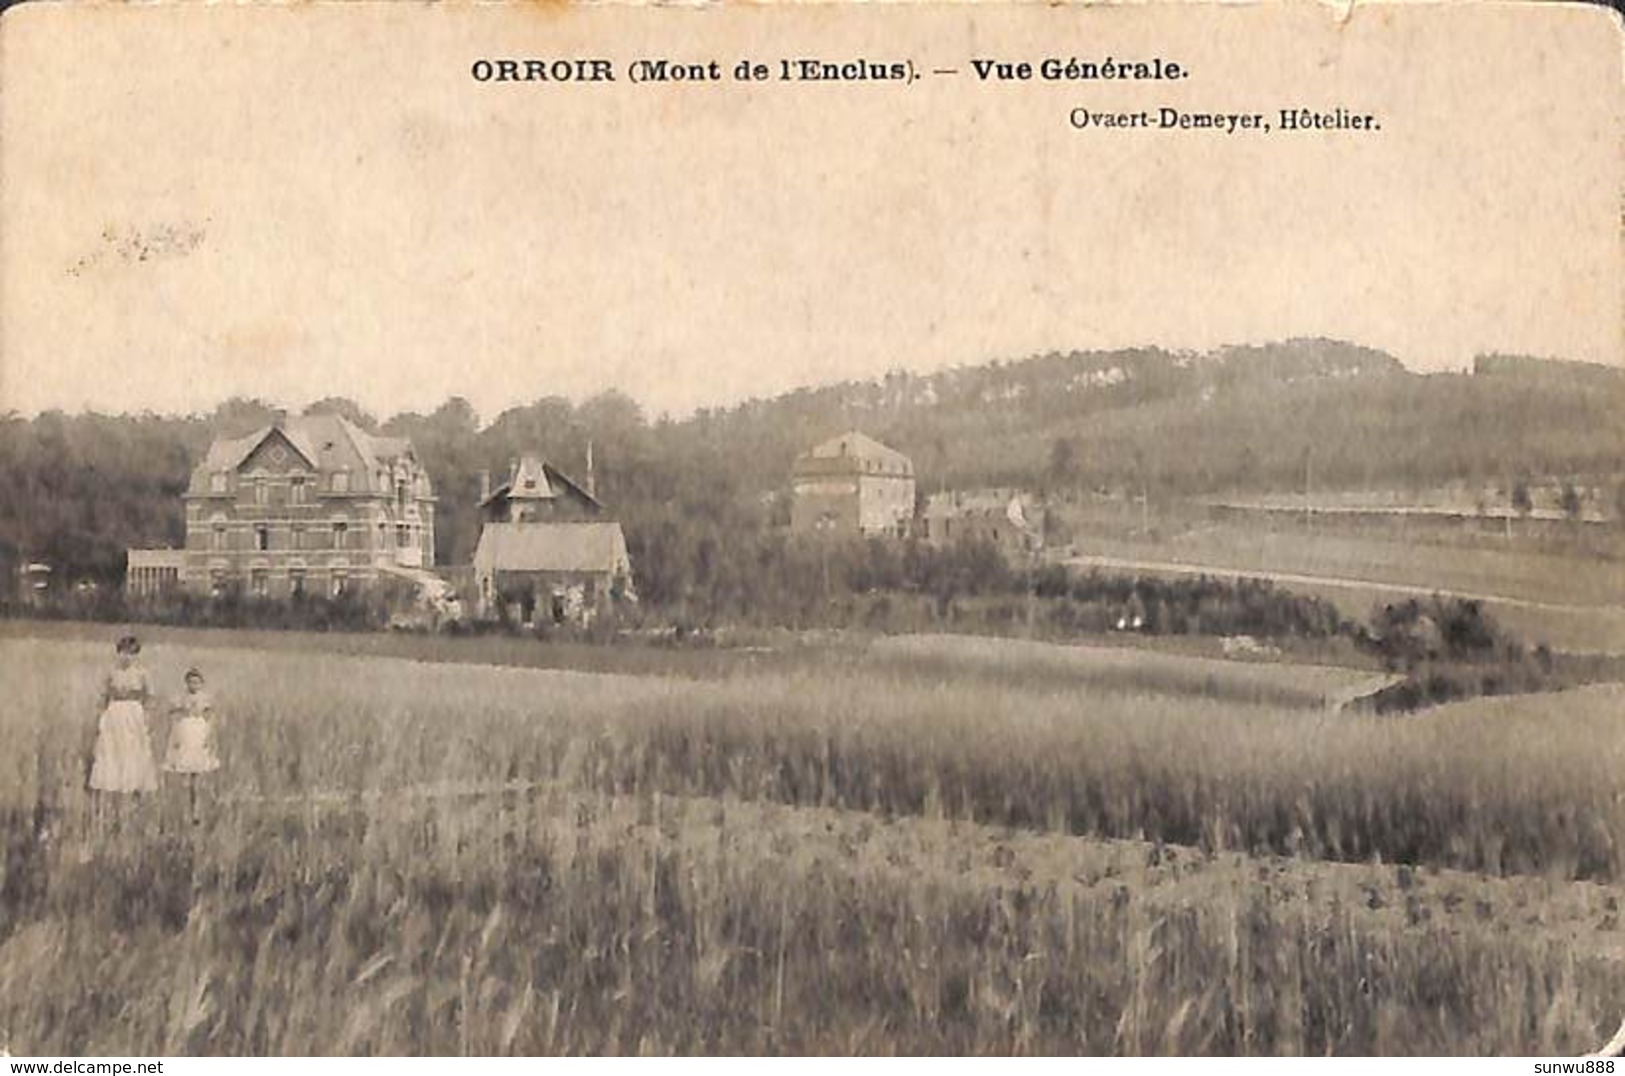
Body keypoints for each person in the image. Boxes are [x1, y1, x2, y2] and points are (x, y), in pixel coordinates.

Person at [88, 635, 160, 795]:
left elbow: (150, 696)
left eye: (131, 653)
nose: (127, 657)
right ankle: (114, 784)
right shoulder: (111, 673)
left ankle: (134, 785)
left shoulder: (142, 673)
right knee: (113, 748)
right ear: (118, 653)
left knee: (133, 747)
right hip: (114, 713)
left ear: (136, 655)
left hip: (134, 713)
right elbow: (103, 696)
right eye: (123, 652)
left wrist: (147, 716)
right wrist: (100, 718)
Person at [163, 667, 220, 824]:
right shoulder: (181, 698)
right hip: (185, 733)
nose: (193, 685)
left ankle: (197, 811)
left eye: (196, 682)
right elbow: (172, 715)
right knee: (184, 775)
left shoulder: (205, 699)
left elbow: (211, 718)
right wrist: (176, 728)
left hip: (199, 733)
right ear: (186, 683)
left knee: (198, 776)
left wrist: (210, 736)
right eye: (190, 682)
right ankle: (184, 811)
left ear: (201, 684)